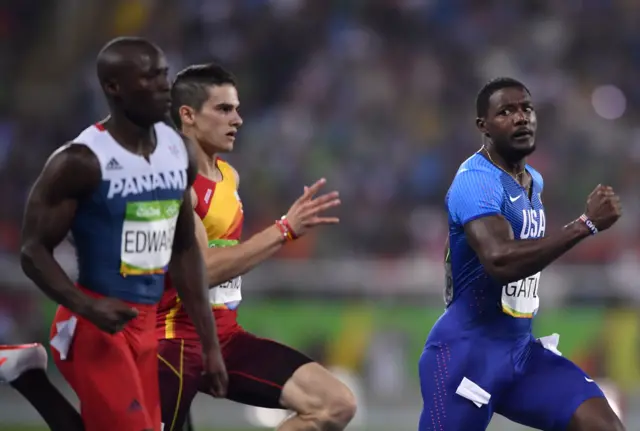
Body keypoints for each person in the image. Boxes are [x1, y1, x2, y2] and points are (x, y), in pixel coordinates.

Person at [15, 37, 227, 431]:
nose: (165, 85)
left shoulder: (178, 152)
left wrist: (209, 345)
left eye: (164, 73)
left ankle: (27, 377)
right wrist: (87, 307)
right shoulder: (81, 161)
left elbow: (184, 252)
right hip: (95, 326)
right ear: (114, 87)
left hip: (145, 327)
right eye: (149, 77)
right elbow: (32, 250)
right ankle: (29, 379)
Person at [155, 63, 357, 431]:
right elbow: (201, 270)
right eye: (223, 109)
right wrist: (283, 230)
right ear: (187, 115)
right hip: (170, 344)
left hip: (225, 338)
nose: (238, 119)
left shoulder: (228, 175)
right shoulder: (170, 182)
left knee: (335, 404)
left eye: (237, 109)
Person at [419, 77, 625, 431]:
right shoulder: (476, 181)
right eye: (506, 111)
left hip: (520, 351)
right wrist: (585, 225)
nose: (521, 118)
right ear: (483, 126)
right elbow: (500, 260)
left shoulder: (533, 181)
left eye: (526, 108)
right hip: (466, 354)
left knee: (603, 425)